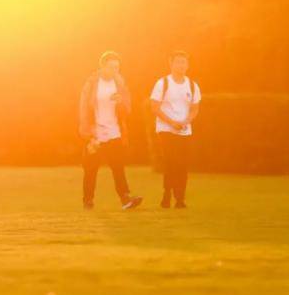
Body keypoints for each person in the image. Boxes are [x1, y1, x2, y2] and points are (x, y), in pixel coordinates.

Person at [79, 51, 143, 210]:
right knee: (90, 169)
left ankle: (125, 198)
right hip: (96, 133)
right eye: (112, 67)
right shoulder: (92, 83)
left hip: (115, 132)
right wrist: (88, 135)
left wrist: (120, 102)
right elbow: (83, 109)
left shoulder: (120, 84)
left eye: (118, 67)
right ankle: (88, 200)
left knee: (118, 167)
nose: (115, 70)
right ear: (102, 66)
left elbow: (127, 110)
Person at [149, 51, 202, 208]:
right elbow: (155, 107)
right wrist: (172, 122)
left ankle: (180, 198)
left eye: (184, 62)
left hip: (184, 130)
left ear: (188, 65)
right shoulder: (162, 83)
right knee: (171, 161)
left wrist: (186, 121)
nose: (181, 65)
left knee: (182, 164)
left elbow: (195, 108)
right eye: (178, 62)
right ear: (170, 63)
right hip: (166, 129)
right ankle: (167, 194)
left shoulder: (192, 86)